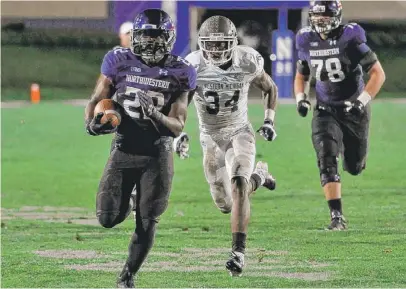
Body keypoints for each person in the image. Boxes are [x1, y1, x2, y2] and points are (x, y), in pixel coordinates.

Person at [84, 9, 196, 288]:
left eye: (155, 36)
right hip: (124, 147)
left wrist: (156, 115)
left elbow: (178, 124)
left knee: (147, 221)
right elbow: (97, 99)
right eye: (144, 35)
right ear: (134, 37)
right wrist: (92, 124)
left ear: (168, 38)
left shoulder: (181, 71)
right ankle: (131, 200)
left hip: (157, 151)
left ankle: (127, 276)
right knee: (107, 218)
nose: (149, 42)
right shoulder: (118, 60)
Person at [185, 15, 278, 276]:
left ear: (232, 42)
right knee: (225, 204)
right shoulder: (193, 64)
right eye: (209, 44)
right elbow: (181, 101)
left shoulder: (247, 60)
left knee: (238, 183)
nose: (215, 50)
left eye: (221, 44)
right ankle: (259, 176)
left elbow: (270, 88)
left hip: (239, 131)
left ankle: (238, 252)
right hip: (210, 138)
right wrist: (178, 132)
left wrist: (269, 121)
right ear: (201, 43)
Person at [294, 0, 386, 230]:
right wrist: (301, 98)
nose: (320, 23)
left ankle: (351, 156)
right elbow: (302, 74)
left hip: (354, 109)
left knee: (354, 166)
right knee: (326, 158)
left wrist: (361, 101)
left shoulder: (350, 37)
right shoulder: (306, 39)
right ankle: (336, 217)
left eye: (325, 18)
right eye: (316, 18)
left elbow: (378, 74)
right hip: (325, 109)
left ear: (336, 17)